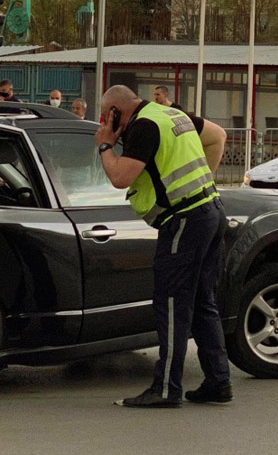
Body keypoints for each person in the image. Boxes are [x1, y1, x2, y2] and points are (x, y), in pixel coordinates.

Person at [95, 85, 231, 409]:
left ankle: (167, 389)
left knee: (171, 304)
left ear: (116, 112)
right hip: (210, 211)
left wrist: (105, 144)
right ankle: (218, 382)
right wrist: (201, 184)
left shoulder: (143, 126)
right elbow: (218, 136)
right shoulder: (172, 114)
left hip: (185, 221)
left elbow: (120, 177)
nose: (103, 122)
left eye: (105, 117)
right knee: (202, 302)